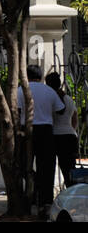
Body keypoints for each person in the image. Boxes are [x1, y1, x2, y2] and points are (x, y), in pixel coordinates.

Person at [15, 65, 66, 218]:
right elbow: (61, 109)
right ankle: (46, 201)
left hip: (27, 130)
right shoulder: (49, 91)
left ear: (26, 76)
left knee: (25, 164)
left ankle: (30, 196)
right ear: (41, 76)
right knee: (47, 167)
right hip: (45, 131)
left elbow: (16, 110)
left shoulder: (20, 90)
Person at [47, 72, 79, 192]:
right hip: (70, 135)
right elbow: (75, 117)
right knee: (69, 170)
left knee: (49, 168)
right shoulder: (68, 99)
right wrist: (72, 129)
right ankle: (73, 193)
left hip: (55, 135)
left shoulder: (51, 99)